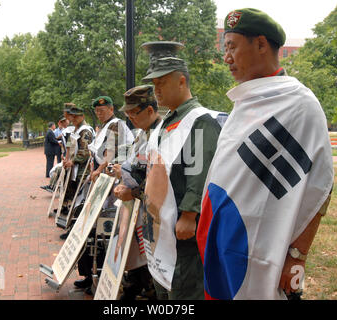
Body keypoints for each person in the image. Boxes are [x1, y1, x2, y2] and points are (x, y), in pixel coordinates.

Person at [196, 8, 334, 300]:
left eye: (231, 46)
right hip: (222, 249)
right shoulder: (243, 103)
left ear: (260, 44)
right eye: (225, 48)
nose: (226, 57)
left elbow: (322, 187)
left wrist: (297, 256)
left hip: (263, 255)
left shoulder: (299, 104)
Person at [140, 41, 226, 300]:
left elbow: (200, 171)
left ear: (181, 81)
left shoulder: (200, 119)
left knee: (183, 290)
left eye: (161, 83)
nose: (156, 91)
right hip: (160, 231)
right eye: (153, 85)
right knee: (164, 289)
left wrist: (190, 213)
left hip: (182, 231)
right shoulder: (167, 121)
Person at [73, 95, 134, 294]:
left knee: (101, 231)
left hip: (112, 183)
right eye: (97, 111)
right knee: (91, 227)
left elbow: (110, 153)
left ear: (111, 109)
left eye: (103, 110)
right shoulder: (104, 127)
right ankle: (88, 275)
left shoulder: (115, 125)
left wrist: (99, 169)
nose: (99, 113)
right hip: (102, 183)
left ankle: (98, 276)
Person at [106, 85, 162, 300]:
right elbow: (135, 164)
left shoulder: (162, 134)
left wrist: (134, 192)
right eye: (127, 114)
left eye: (133, 113)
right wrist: (121, 175)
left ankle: (147, 289)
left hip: (154, 211)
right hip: (139, 207)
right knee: (139, 252)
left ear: (149, 110)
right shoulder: (142, 134)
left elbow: (160, 177)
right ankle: (137, 286)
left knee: (152, 259)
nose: (130, 118)